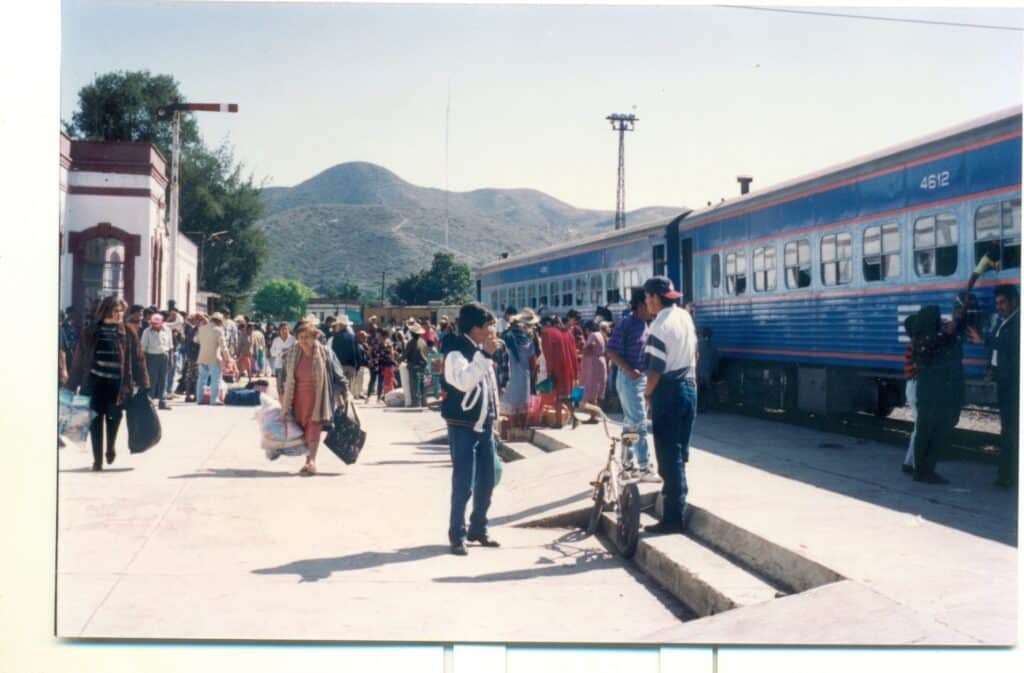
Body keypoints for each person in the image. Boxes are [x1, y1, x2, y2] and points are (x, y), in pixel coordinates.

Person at [442, 302, 502, 555]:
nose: (492, 331)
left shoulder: (480, 350)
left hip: (484, 425)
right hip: (463, 426)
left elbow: (489, 387)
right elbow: (465, 382)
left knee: (487, 480)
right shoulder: (456, 353)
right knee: (464, 482)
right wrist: (485, 356)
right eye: (488, 326)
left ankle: (479, 527)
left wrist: (496, 417)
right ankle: (457, 533)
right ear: (475, 328)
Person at [64, 296, 150, 471]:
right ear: (107, 311)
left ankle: (110, 447)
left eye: (121, 311)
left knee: (114, 417)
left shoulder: (127, 332)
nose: (120, 315)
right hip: (94, 383)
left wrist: (144, 383)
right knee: (95, 420)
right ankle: (97, 460)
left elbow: (138, 359)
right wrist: (70, 387)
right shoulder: (91, 332)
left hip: (117, 385)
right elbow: (79, 360)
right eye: (117, 311)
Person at [641, 276, 697, 534]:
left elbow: (655, 370)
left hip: (669, 392)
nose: (646, 303)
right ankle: (676, 503)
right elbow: (695, 353)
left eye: (647, 297)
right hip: (689, 387)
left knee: (668, 454)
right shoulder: (685, 317)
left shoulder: (658, 327)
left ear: (654, 297)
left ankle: (673, 517)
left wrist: (647, 394)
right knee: (680, 451)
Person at [968, 284, 1019, 488]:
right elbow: (1001, 351)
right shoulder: (1004, 322)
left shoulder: (1017, 321)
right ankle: (1007, 473)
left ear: (1013, 301)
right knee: (1008, 430)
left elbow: (1009, 345)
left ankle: (1007, 476)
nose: (999, 307)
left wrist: (984, 340)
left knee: (1011, 431)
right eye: (997, 303)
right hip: (1005, 382)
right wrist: (992, 369)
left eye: (1003, 302)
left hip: (1015, 385)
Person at [281, 321, 348, 475]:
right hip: (297, 398)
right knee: (303, 428)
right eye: (300, 337)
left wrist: (346, 392)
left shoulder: (325, 353)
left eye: (308, 337)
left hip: (319, 397)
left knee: (314, 426)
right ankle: (307, 460)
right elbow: (284, 378)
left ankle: (312, 460)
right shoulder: (291, 354)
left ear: (314, 337)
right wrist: (283, 400)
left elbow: (339, 374)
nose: (304, 340)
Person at [606, 288, 658, 482]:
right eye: (648, 303)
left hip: (638, 378)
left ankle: (627, 463)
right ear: (641, 304)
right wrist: (629, 370)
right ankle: (644, 466)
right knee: (639, 422)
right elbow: (611, 350)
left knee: (630, 424)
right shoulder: (627, 323)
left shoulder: (645, 324)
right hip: (630, 379)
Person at [501, 309, 538, 429]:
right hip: (524, 376)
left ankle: (513, 430)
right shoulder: (527, 341)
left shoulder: (504, 338)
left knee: (511, 408)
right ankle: (522, 430)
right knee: (523, 406)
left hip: (508, 377)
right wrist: (532, 376)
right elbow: (533, 363)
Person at [194, 312, 232, 406]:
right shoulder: (218, 330)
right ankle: (213, 400)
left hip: (202, 357)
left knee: (202, 379)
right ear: (219, 321)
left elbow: (195, 340)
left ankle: (200, 399)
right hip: (214, 358)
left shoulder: (202, 328)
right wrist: (228, 359)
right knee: (216, 380)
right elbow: (224, 347)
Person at [140, 313, 174, 410]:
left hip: (164, 356)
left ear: (161, 323)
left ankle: (162, 402)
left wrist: (171, 359)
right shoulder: (147, 331)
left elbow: (171, 346)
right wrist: (144, 362)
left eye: (156, 324)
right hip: (152, 357)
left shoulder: (167, 330)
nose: (154, 325)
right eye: (153, 323)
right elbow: (143, 349)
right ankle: (149, 401)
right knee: (152, 379)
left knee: (163, 379)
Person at [580, 319, 608, 405]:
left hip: (594, 363)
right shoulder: (601, 334)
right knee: (599, 384)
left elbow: (591, 346)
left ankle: (593, 411)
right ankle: (596, 411)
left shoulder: (593, 335)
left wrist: (583, 350)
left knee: (592, 386)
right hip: (600, 361)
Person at [329, 315, 363, 385]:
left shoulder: (336, 337)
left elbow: (333, 353)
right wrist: (357, 367)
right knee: (348, 388)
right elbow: (357, 353)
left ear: (339, 325)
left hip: (339, 366)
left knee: (339, 388)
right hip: (351, 366)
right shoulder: (353, 337)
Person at [404, 319, 429, 406]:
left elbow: (405, 355)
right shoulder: (423, 342)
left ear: (413, 333)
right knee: (422, 385)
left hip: (413, 366)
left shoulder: (411, 343)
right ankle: (424, 402)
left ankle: (416, 403)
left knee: (414, 385)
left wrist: (398, 362)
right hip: (423, 366)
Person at [695, 327, 719, 412]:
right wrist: (715, 371)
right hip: (707, 372)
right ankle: (705, 407)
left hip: (697, 371)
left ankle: (697, 407)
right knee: (706, 390)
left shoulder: (696, 345)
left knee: (698, 390)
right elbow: (715, 361)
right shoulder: (712, 347)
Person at [270, 321, 296, 397]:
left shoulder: (293, 339)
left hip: (290, 365)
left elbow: (296, 350)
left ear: (289, 329)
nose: (284, 331)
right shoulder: (276, 340)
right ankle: (281, 401)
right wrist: (280, 351)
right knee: (279, 385)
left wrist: (288, 350)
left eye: (286, 329)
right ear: (279, 330)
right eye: (282, 329)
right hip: (278, 365)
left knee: (289, 385)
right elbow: (272, 353)